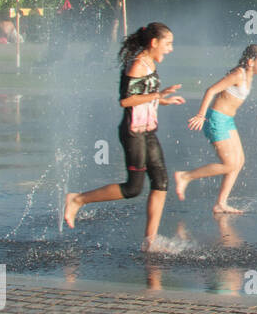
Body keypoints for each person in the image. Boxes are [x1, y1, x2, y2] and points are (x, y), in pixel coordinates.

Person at [63, 23, 185, 248]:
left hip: (148, 130)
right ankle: (77, 199)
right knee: (133, 188)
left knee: (161, 183)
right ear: (154, 42)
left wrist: (162, 99)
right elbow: (126, 100)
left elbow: (144, 94)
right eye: (168, 43)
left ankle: (150, 240)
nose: (170, 49)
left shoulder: (148, 63)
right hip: (133, 132)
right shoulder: (138, 65)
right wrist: (159, 94)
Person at [175, 44, 257, 213]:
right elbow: (211, 90)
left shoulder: (249, 75)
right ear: (251, 61)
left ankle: (221, 203)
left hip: (227, 121)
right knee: (229, 164)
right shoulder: (238, 74)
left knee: (239, 162)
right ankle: (185, 176)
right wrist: (201, 115)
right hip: (216, 120)